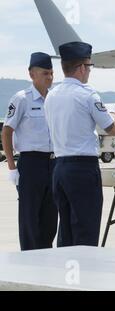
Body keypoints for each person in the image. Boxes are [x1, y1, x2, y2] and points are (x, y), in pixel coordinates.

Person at [44, 42, 115, 247]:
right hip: (82, 169)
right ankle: (84, 276)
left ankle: (66, 275)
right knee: (85, 229)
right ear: (81, 68)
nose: (89, 72)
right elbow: (112, 129)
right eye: (89, 67)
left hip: (59, 168)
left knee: (66, 230)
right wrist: (112, 111)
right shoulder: (87, 94)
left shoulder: (51, 95)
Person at [1, 52, 57, 251]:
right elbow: (6, 132)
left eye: (51, 73)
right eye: (45, 73)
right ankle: (29, 262)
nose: (49, 77)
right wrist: (12, 168)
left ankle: (45, 257)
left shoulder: (54, 99)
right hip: (31, 163)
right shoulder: (21, 99)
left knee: (51, 218)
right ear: (32, 74)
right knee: (29, 217)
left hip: (53, 163)